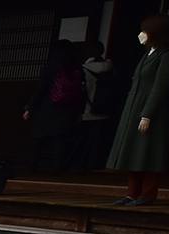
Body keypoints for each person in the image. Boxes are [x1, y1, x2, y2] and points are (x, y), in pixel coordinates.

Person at [107, 14, 169, 205]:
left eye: (145, 30)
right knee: (135, 151)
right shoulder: (149, 53)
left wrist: (147, 114)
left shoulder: (168, 56)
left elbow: (160, 88)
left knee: (151, 152)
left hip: (153, 111)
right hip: (135, 107)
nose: (142, 34)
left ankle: (147, 194)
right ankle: (132, 193)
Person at [24, 39, 86, 173]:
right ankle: (57, 168)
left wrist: (30, 106)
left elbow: (40, 89)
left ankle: (32, 166)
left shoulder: (50, 67)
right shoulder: (77, 68)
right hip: (69, 109)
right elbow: (82, 91)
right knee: (61, 140)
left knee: (38, 138)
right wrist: (80, 110)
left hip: (47, 107)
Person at [78, 40, 124, 171]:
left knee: (85, 141)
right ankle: (99, 164)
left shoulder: (85, 69)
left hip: (89, 108)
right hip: (106, 108)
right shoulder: (110, 68)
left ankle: (83, 165)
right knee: (100, 141)